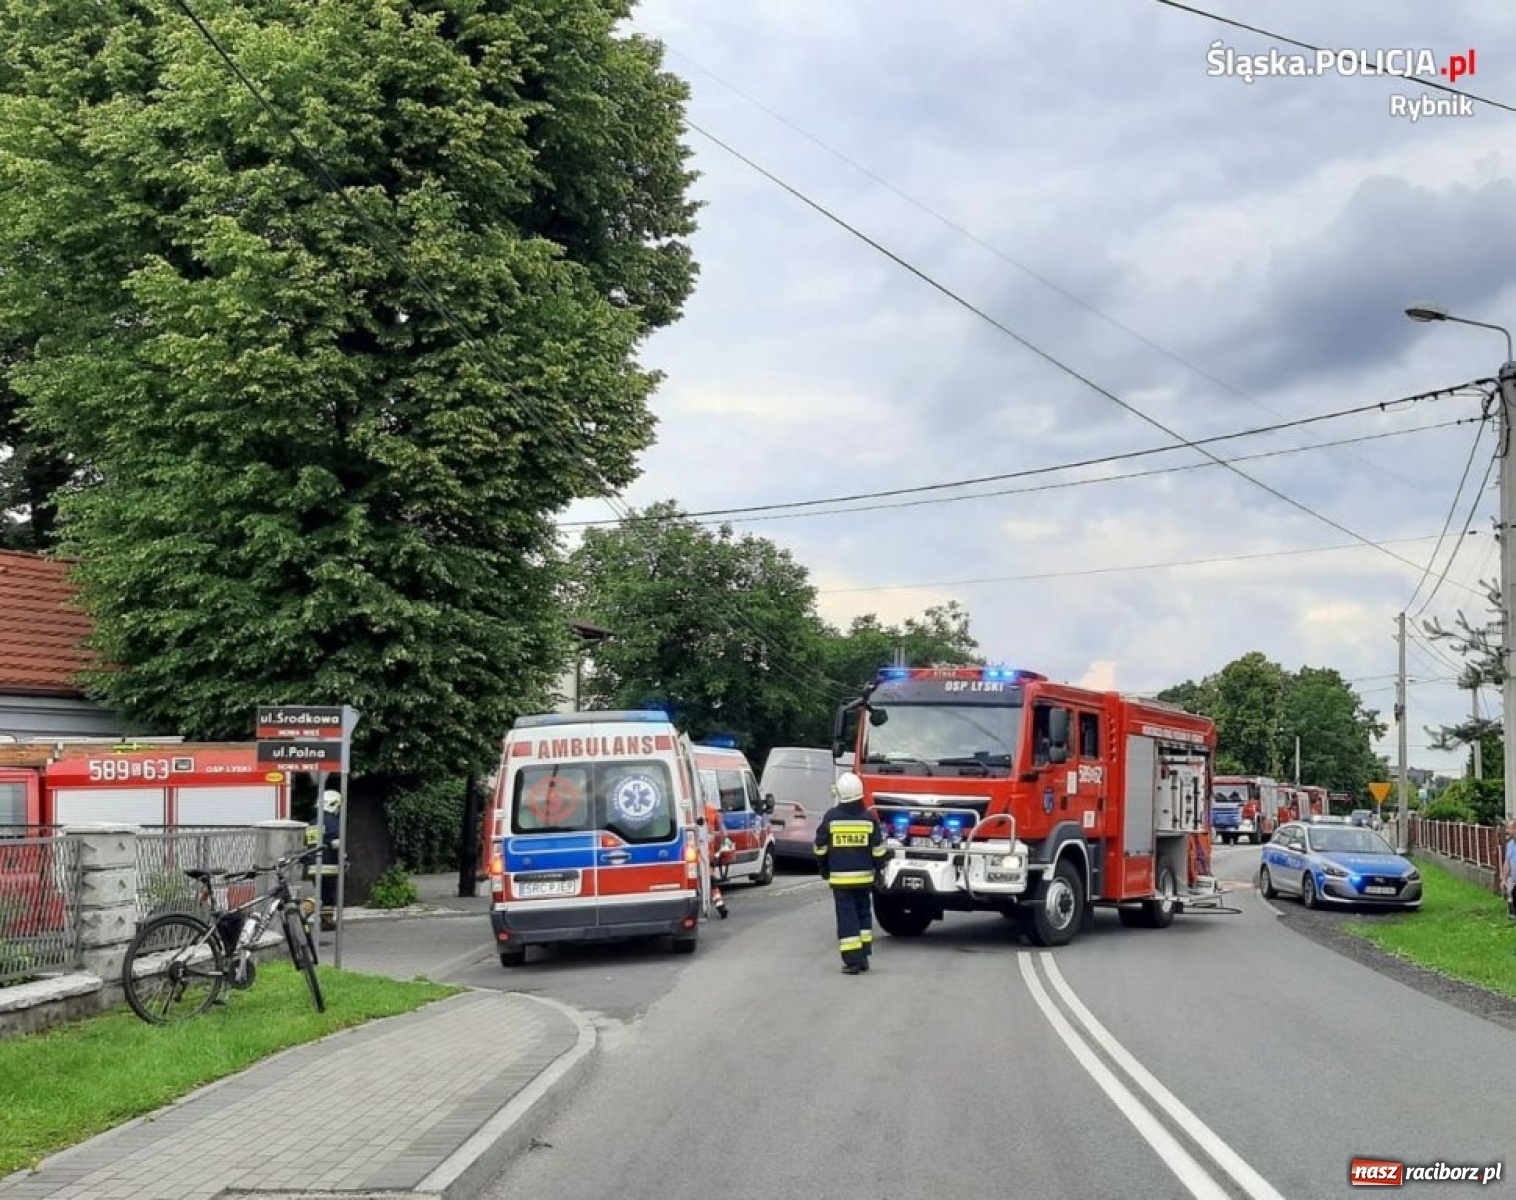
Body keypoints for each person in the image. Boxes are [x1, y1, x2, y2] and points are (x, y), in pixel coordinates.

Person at [813, 771, 887, 975]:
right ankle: (863, 957)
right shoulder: (869, 818)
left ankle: (852, 961)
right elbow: (878, 850)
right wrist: (879, 872)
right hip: (865, 879)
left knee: (847, 918)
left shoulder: (831, 817)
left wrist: (824, 869)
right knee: (863, 914)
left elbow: (820, 847)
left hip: (841, 881)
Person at [1502, 819, 1516, 921]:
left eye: (1510, 828)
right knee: (1512, 895)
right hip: (1514, 880)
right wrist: (1504, 879)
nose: (1507, 831)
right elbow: (1507, 863)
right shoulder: (1510, 844)